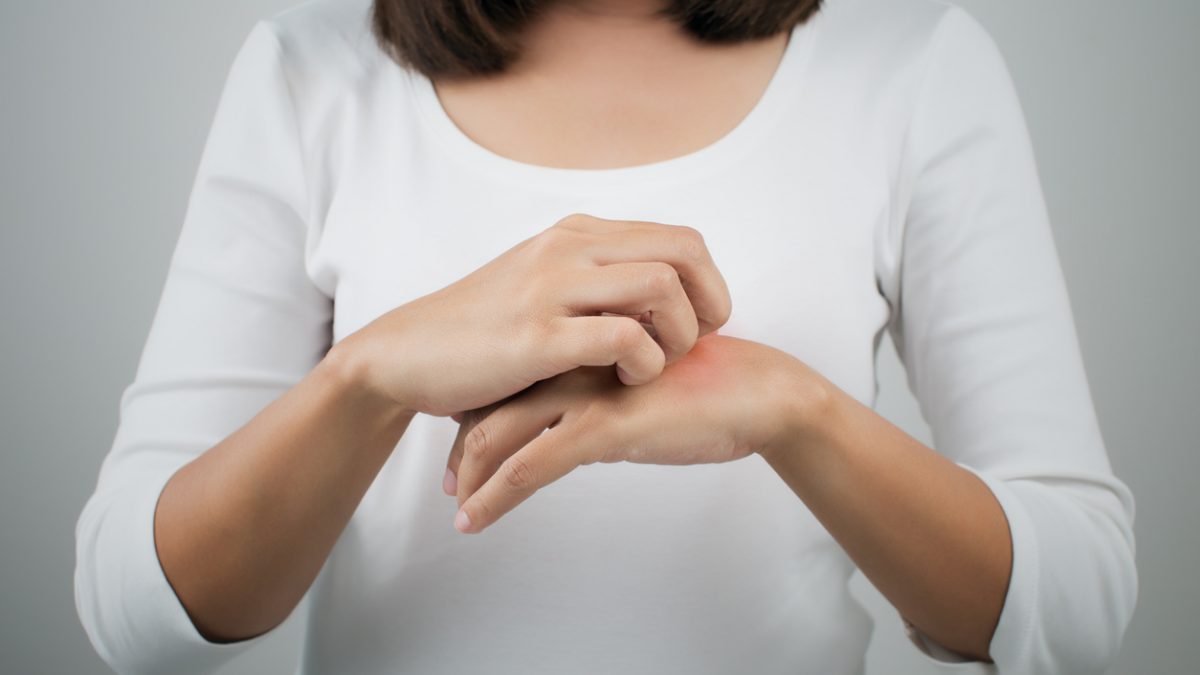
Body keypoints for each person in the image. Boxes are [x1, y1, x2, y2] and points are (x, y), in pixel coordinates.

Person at [74, 0, 1137, 673]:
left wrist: (793, 410)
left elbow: (1077, 603)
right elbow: (136, 612)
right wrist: (368, 376)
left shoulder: (912, 65)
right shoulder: (308, 72)